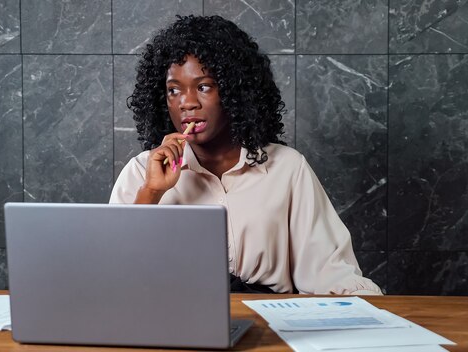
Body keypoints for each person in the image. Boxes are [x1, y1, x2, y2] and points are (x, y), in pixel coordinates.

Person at [110, 15, 382, 295]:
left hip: (271, 322)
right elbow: (114, 274)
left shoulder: (286, 168)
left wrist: (373, 313)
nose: (187, 102)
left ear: (234, 91)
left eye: (204, 87)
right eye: (173, 90)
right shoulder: (141, 172)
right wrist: (152, 192)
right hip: (177, 324)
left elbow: (328, 271)